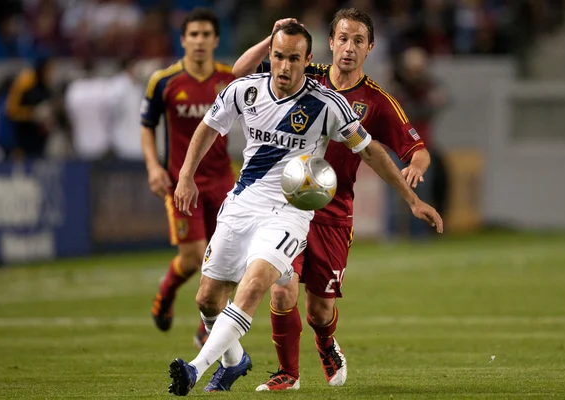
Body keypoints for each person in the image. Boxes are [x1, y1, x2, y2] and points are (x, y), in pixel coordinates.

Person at [168, 21, 442, 396]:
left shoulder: (347, 103)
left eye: (357, 41)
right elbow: (227, 92)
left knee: (297, 302)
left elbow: (382, 151)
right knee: (217, 298)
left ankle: (200, 368)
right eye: (342, 39)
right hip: (246, 203)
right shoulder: (259, 84)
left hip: (308, 208)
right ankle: (257, 367)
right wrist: (186, 176)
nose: (284, 66)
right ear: (330, 44)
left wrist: (413, 195)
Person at [140, 8, 235, 347]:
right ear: (183, 40)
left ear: (216, 40)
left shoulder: (230, 78)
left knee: (229, 258)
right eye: (193, 34)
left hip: (224, 181)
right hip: (183, 183)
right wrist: (153, 167)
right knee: (195, 258)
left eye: (206, 35)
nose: (199, 41)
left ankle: (206, 323)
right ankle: (166, 293)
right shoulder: (164, 81)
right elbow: (147, 126)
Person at [390, 46, 449, 239]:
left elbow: (438, 103)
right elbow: (408, 112)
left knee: (422, 191)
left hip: (422, 147)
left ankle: (419, 233)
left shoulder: (428, 86)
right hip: (398, 146)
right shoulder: (398, 87)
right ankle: (392, 233)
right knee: (393, 190)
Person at [5, 56, 55, 159]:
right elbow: (11, 111)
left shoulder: (46, 85)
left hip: (40, 139)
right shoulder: (25, 83)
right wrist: (32, 114)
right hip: (24, 138)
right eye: (48, 69)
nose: (51, 73)